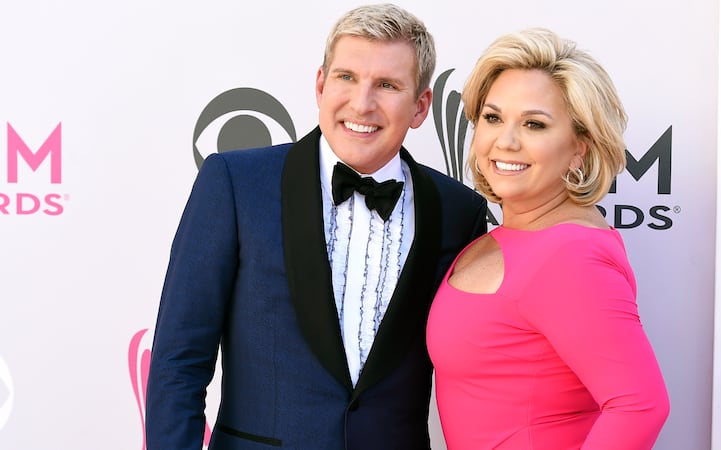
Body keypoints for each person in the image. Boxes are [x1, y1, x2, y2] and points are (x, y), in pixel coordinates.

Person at [145, 4, 488, 450]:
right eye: (347, 77)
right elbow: (178, 361)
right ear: (321, 84)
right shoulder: (235, 183)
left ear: (421, 106)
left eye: (387, 85)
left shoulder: (458, 209)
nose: (361, 103)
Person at [426, 28, 670, 449]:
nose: (506, 141)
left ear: (579, 148)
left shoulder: (569, 255)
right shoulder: (506, 235)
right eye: (493, 117)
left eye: (534, 124)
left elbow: (640, 405)